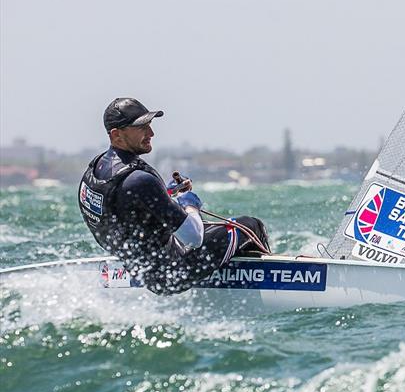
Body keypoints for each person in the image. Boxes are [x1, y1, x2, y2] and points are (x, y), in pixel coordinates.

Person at [78, 97, 270, 295]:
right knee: (249, 225)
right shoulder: (140, 180)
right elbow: (194, 239)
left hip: (136, 268)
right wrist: (189, 203)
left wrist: (167, 194)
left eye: (149, 125)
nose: (151, 133)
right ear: (117, 135)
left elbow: (122, 209)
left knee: (203, 228)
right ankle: (263, 285)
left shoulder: (95, 170)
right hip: (169, 277)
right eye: (141, 128)